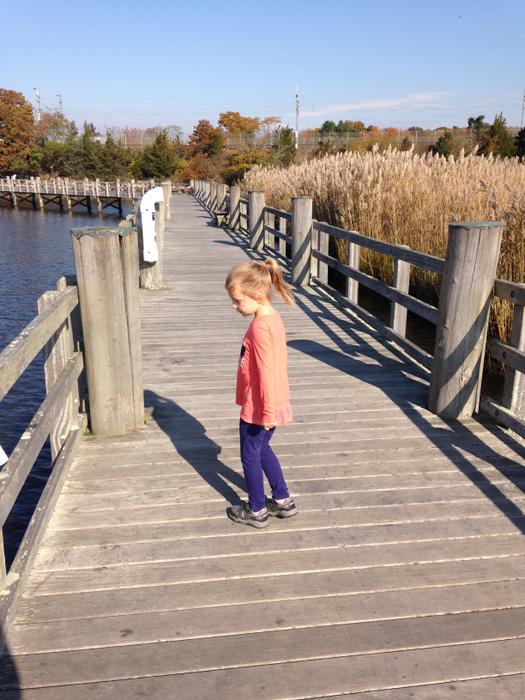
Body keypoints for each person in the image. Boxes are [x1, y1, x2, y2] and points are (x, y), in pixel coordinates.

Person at [224, 258, 297, 528]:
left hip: (261, 406)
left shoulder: (259, 328)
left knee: (250, 454)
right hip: (273, 400)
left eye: (237, 300)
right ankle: (281, 500)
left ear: (256, 295)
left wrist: (265, 412)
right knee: (262, 447)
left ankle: (256, 509)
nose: (234, 306)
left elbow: (266, 372)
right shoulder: (273, 319)